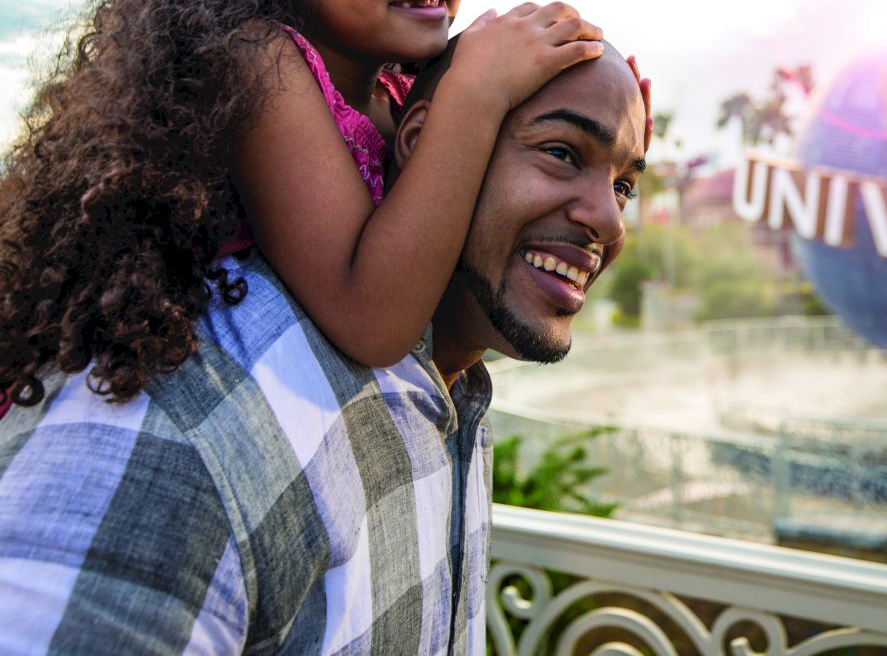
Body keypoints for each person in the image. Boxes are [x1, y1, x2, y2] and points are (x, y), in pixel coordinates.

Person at [0, 0, 649, 416]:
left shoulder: (392, 93)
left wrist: (592, 115)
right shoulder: (260, 63)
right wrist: (475, 92)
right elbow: (373, 320)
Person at [0, 40, 647, 653]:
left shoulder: (454, 399)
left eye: (623, 185)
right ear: (427, 139)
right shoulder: (202, 417)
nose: (611, 221)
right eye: (562, 153)